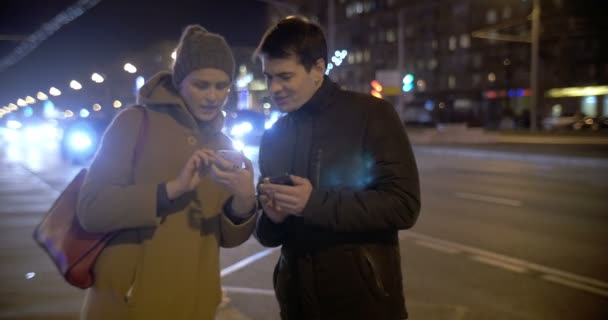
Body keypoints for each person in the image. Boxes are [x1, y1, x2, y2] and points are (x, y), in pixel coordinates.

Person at [76, 25, 257, 320]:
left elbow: (226, 237)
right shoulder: (134, 123)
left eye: (222, 85)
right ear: (180, 80)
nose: (213, 96)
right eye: (201, 85)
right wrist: (170, 189)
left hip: (196, 306)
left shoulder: (222, 144)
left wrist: (245, 201)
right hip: (129, 304)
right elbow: (91, 209)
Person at [254, 16, 421, 320]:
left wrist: (313, 203)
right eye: (268, 77)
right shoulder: (273, 137)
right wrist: (273, 218)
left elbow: (403, 205)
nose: (274, 87)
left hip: (364, 306)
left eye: (285, 76)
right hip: (297, 307)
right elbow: (268, 236)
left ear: (318, 69)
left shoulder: (371, 115)